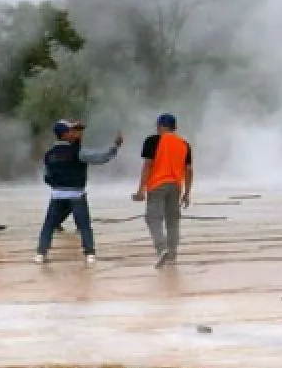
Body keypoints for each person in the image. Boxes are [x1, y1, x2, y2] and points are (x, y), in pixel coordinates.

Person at [35, 120, 123, 265]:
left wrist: (58, 186)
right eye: (70, 131)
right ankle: (90, 254)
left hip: (57, 195)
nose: (73, 133)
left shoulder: (49, 154)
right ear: (64, 134)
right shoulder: (78, 152)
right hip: (76, 195)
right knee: (84, 226)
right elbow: (100, 158)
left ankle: (41, 253)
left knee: (48, 226)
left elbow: (46, 177)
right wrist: (115, 147)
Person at [132, 113, 192, 269]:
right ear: (175, 128)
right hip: (176, 186)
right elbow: (189, 170)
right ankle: (172, 255)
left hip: (157, 184)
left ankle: (161, 248)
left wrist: (140, 191)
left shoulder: (152, 140)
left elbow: (148, 165)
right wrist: (187, 193)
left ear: (159, 126)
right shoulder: (184, 143)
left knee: (153, 218)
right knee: (173, 221)